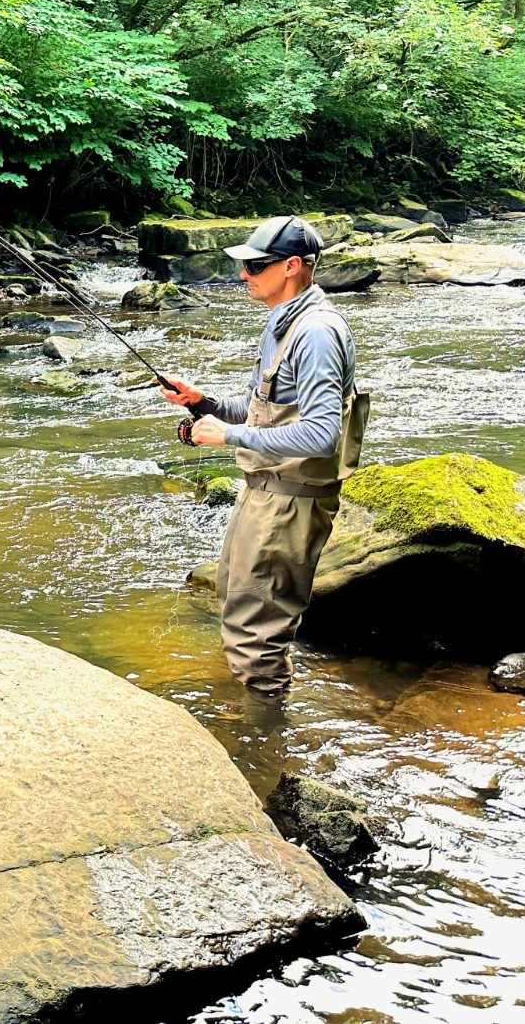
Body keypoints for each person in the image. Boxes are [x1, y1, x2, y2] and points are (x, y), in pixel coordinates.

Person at [160, 215, 369, 697]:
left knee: (256, 638)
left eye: (255, 266)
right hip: (263, 493)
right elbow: (264, 409)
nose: (243, 275)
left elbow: (321, 435)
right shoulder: (283, 323)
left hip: (291, 503)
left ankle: (264, 737)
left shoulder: (316, 333)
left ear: (292, 266)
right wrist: (205, 404)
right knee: (235, 603)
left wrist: (228, 436)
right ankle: (252, 715)